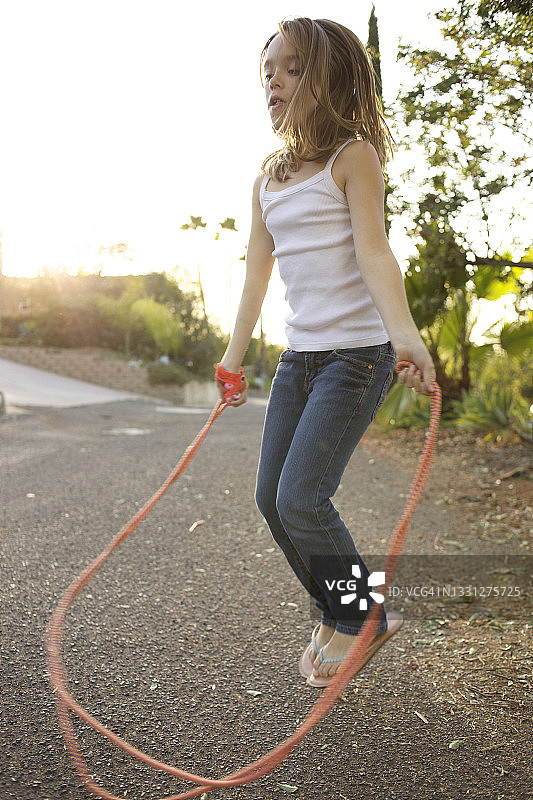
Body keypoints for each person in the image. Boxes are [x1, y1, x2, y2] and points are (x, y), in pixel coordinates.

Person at [215, 17, 436, 688]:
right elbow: (255, 274)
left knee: (302, 497)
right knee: (269, 498)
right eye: (266, 73)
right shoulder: (267, 179)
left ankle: (361, 616)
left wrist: (405, 339)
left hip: (354, 358)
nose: (273, 82)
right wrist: (233, 358)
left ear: (329, 78)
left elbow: (375, 252)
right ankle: (335, 607)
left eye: (290, 68)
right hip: (298, 361)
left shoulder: (352, 157)